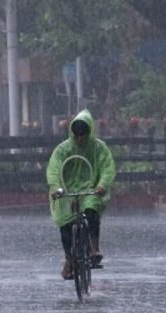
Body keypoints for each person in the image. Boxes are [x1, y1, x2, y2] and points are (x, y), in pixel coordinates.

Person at [46, 109, 116, 280]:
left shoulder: (99, 148)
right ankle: (69, 260)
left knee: (91, 211)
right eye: (76, 136)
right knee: (65, 227)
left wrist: (102, 185)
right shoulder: (63, 149)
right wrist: (56, 187)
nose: (79, 139)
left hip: (90, 189)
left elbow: (107, 167)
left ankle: (94, 248)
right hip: (66, 190)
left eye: (83, 135)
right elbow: (54, 169)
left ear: (89, 132)